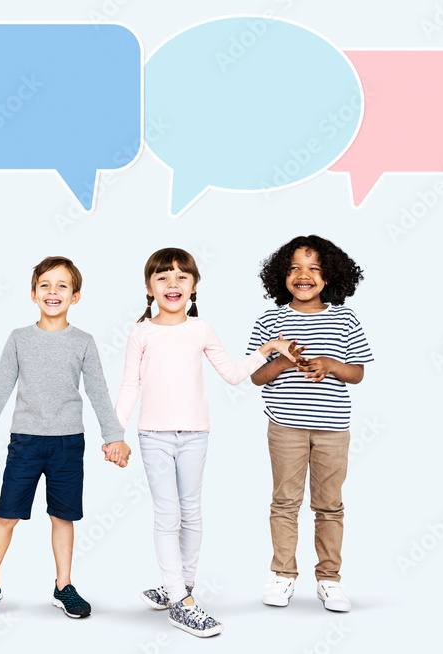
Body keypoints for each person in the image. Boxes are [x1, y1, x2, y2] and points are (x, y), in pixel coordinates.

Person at [114, 248, 296, 638]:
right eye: (163, 277)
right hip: (153, 436)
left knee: (192, 512)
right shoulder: (141, 332)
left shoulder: (202, 328)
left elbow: (232, 374)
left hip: (196, 434)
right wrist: (116, 432)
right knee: (168, 515)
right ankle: (181, 602)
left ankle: (182, 589)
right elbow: (131, 384)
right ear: (149, 288)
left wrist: (265, 351)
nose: (173, 283)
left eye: (182, 276)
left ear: (194, 286)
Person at [0, 256, 129, 620]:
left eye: (62, 286)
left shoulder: (83, 341)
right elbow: (0, 388)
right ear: (33, 294)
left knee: (62, 517)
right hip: (26, 441)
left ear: (76, 296)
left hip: (68, 442)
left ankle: (63, 585)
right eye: (46, 286)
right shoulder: (19, 338)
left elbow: (98, 391)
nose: (54, 292)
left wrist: (114, 437)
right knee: (7, 513)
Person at [247, 235, 373, 612]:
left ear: (330, 275)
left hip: (333, 428)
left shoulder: (344, 318)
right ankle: (283, 574)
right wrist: (283, 360)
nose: (304, 276)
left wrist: (330, 365)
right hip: (285, 426)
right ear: (281, 276)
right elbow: (255, 377)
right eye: (295, 269)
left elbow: (357, 373)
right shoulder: (270, 320)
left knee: (329, 505)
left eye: (314, 268)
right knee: (285, 501)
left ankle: (330, 579)